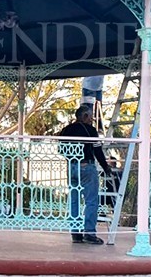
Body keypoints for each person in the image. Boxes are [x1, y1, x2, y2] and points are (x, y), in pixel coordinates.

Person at [58, 105, 113, 245]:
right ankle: (89, 233)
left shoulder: (66, 130)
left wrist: (72, 158)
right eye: (90, 117)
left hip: (71, 167)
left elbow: (61, 149)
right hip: (86, 166)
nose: (92, 119)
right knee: (91, 200)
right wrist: (105, 166)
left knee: (74, 200)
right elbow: (97, 150)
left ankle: (75, 234)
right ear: (85, 116)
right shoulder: (90, 130)